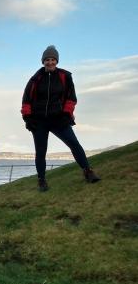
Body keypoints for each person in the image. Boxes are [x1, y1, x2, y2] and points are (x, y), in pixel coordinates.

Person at [21, 45, 100, 191]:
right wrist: (27, 118)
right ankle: (42, 180)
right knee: (41, 151)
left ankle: (88, 171)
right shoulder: (35, 79)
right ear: (43, 61)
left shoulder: (65, 76)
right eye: (47, 60)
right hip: (39, 121)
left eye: (52, 59)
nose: (50, 62)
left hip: (59, 119)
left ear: (56, 61)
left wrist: (66, 114)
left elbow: (71, 98)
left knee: (74, 144)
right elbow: (26, 100)